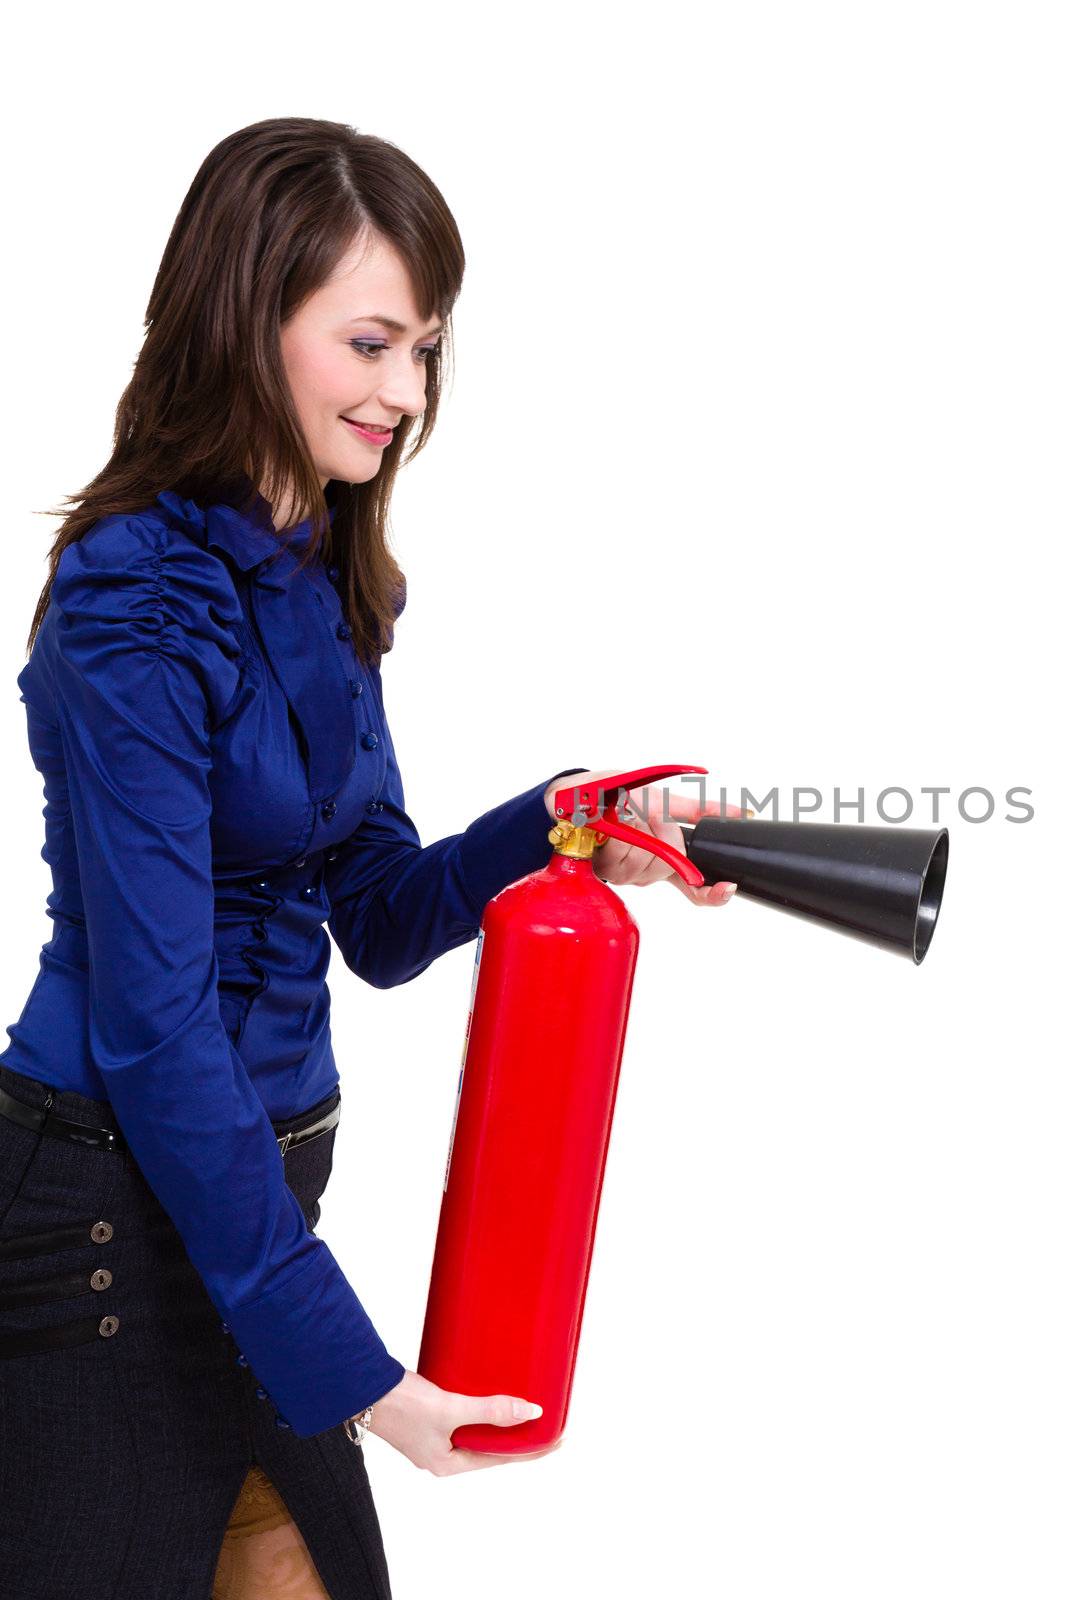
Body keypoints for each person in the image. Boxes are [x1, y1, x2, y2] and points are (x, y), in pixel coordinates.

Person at [0, 117, 739, 1600]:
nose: (406, 394)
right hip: (104, 1238)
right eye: (372, 343)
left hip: (261, 1218)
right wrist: (359, 1376)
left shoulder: (322, 574)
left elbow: (382, 914)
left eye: (427, 352)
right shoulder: (129, 601)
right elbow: (155, 1035)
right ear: (246, 321)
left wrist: (565, 821)